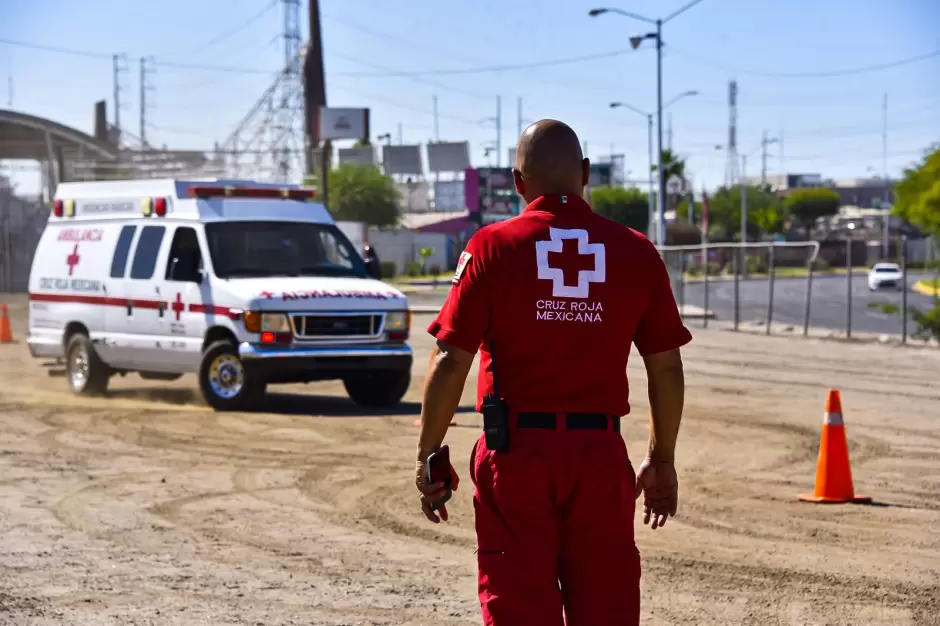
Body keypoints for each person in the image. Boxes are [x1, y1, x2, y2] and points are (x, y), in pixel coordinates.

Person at [414, 119, 692, 626]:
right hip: (600, 461)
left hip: (516, 458)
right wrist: (661, 458)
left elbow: (453, 358)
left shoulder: (493, 248)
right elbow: (667, 367)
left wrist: (429, 452)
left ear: (518, 182)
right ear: (586, 175)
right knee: (606, 608)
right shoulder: (635, 252)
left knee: (519, 609)